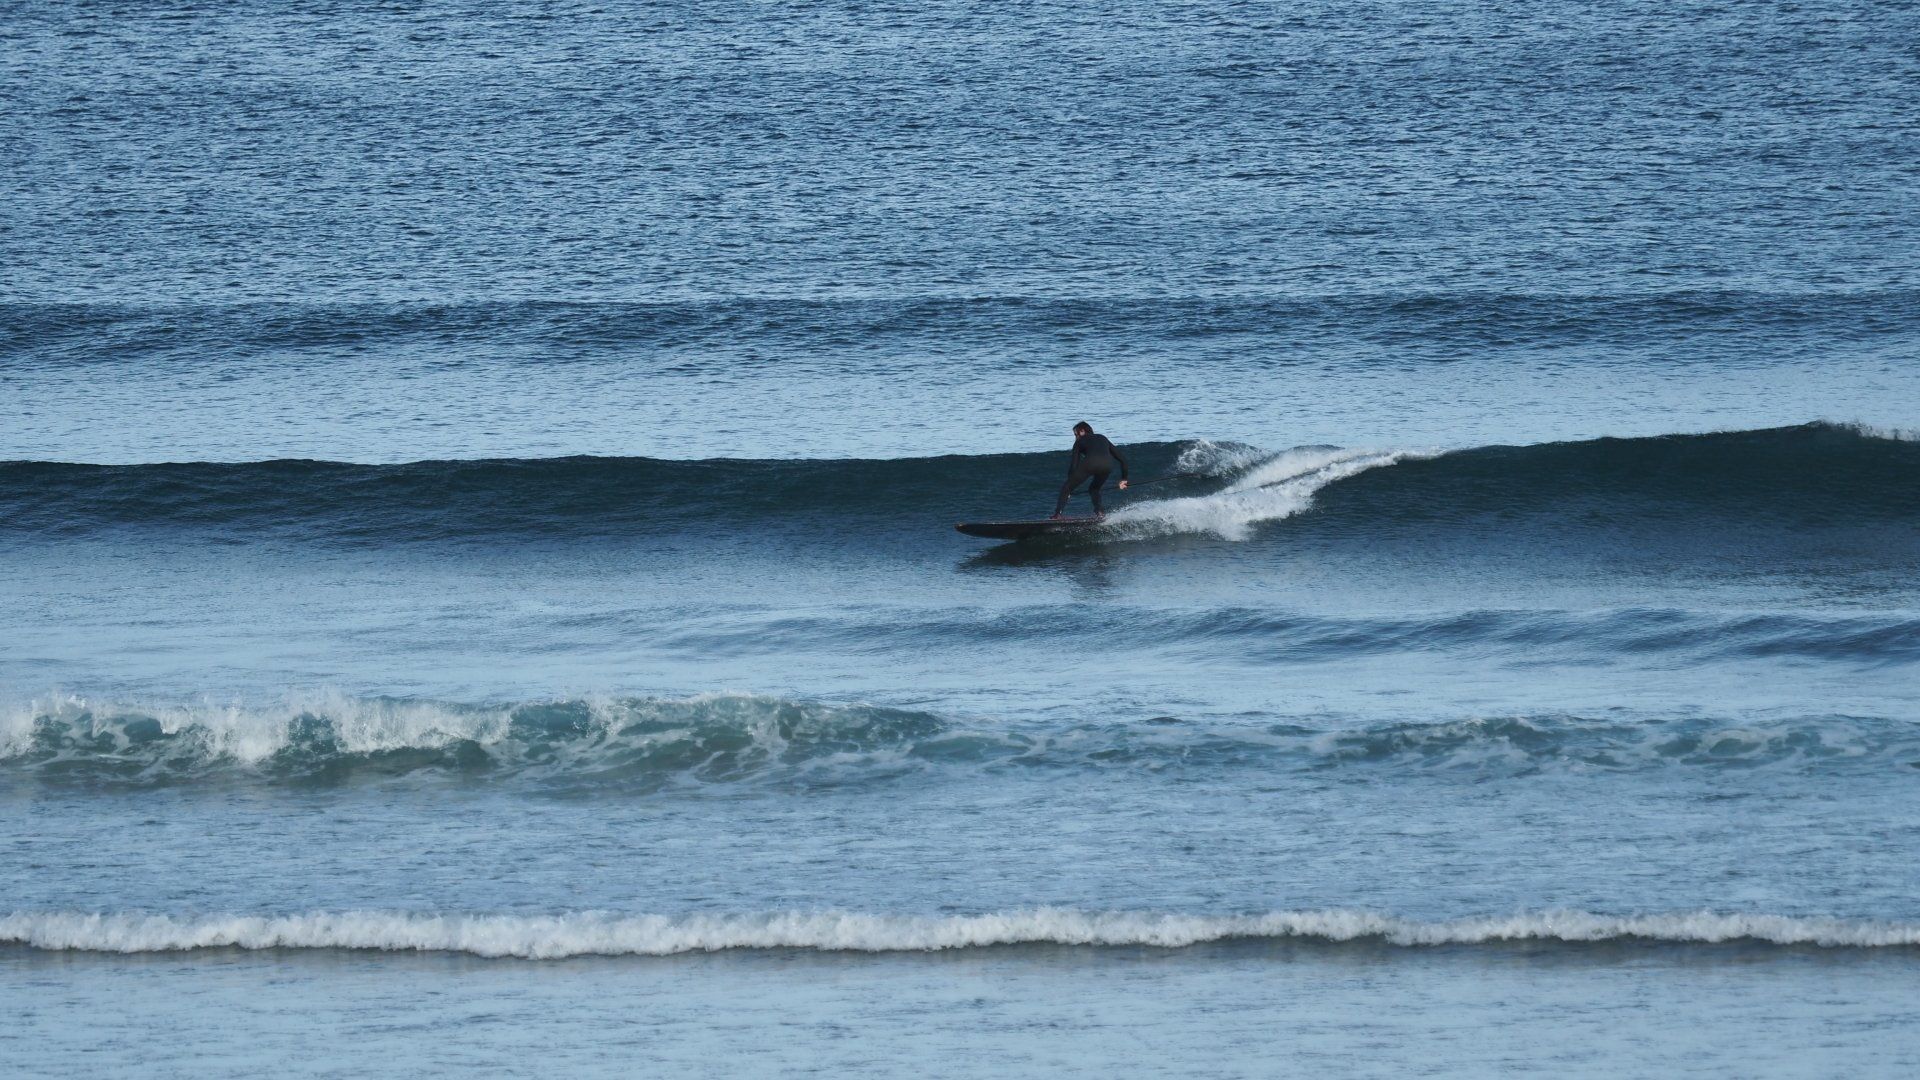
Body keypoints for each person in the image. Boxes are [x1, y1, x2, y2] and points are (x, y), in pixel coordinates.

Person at [1052, 421, 1129, 518]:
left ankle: (1057, 514)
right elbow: (1123, 459)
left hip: (1091, 463)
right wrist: (1124, 479)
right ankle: (1100, 512)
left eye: (1076, 434)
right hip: (1107, 465)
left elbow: (1074, 465)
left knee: (1066, 488)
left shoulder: (1079, 442)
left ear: (1082, 431)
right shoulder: (1102, 437)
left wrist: (1069, 487)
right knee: (1094, 489)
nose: (1076, 437)